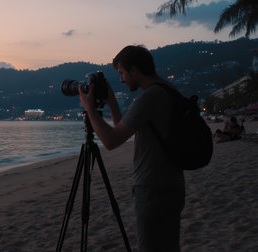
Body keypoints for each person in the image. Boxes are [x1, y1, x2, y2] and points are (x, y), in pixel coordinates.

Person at [79, 45, 185, 252]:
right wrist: (111, 102)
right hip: (171, 184)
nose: (121, 79)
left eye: (122, 73)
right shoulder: (167, 90)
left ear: (134, 70)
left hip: (153, 188)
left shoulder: (150, 97)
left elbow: (110, 141)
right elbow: (124, 130)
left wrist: (89, 108)